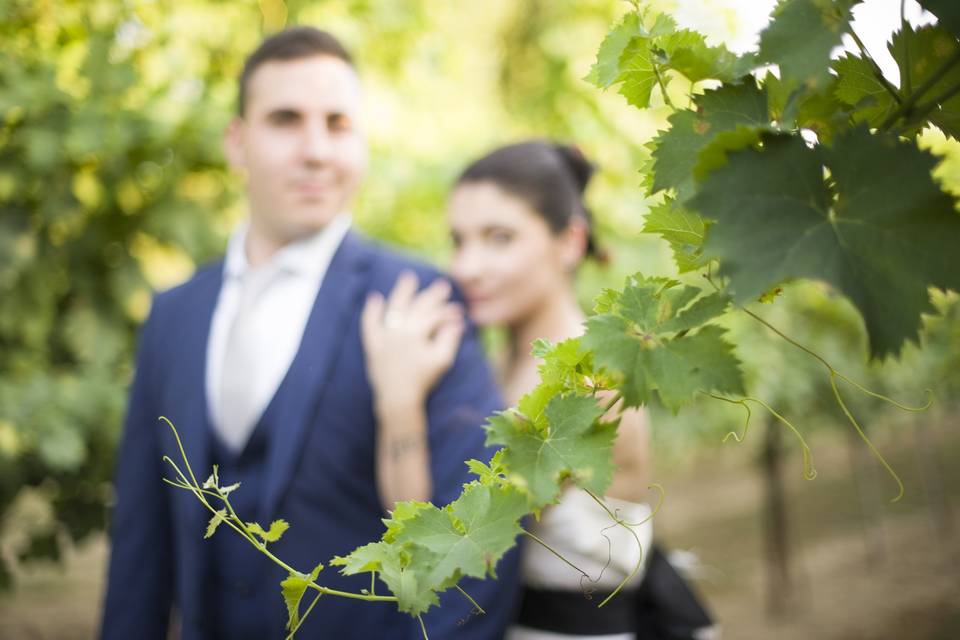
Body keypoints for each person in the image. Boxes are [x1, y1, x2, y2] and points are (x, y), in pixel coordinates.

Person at [100, 27, 519, 640]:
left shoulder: (421, 297)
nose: (316, 150)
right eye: (286, 120)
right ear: (237, 142)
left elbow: (475, 546)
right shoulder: (174, 314)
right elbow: (141, 541)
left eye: (339, 123)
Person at [362, 141, 718, 639]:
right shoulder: (501, 363)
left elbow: (451, 554)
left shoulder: (585, 380)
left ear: (569, 242)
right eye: (458, 240)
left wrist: (398, 401)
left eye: (499, 238)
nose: (467, 266)